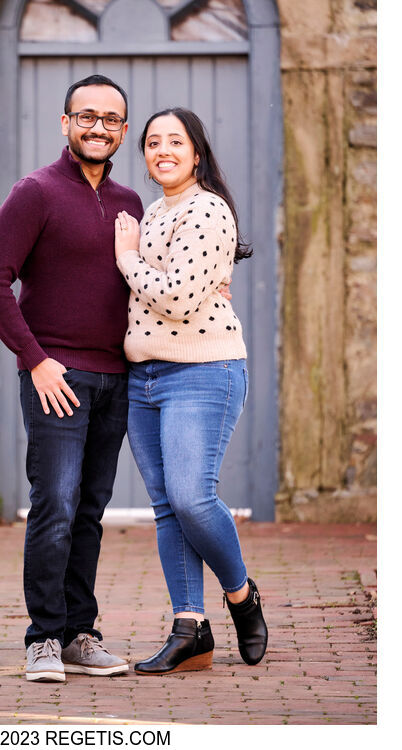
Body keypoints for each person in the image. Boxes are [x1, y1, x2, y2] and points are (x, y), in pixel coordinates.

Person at [0, 74, 144, 682]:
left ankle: (78, 633)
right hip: (57, 377)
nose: (98, 127)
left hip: (116, 379)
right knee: (56, 505)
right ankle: (43, 637)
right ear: (65, 123)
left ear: (123, 131)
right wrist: (36, 359)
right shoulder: (36, 192)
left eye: (111, 119)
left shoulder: (130, 203)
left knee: (91, 509)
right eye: (86, 116)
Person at [114, 107, 268, 674]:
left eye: (175, 141)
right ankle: (190, 629)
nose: (162, 151)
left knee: (191, 496)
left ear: (196, 152)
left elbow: (176, 298)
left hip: (203, 369)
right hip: (145, 376)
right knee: (165, 508)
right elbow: (141, 297)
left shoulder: (207, 209)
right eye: (153, 142)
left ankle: (240, 596)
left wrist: (126, 258)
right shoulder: (151, 213)